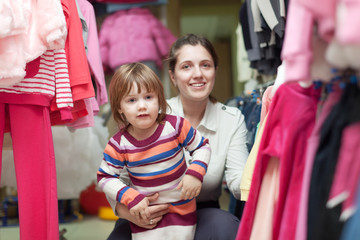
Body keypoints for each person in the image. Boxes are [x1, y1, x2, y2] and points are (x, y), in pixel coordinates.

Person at [107, 33, 249, 240]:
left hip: (202, 212)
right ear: (173, 76)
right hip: (145, 213)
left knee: (226, 228)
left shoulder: (231, 118)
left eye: (206, 65)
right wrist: (125, 211)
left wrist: (262, 181)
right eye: (186, 66)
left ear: (215, 71)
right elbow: (115, 178)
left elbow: (238, 180)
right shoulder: (146, 112)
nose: (198, 74)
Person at [97, 62, 211, 240]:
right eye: (132, 100)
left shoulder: (175, 126)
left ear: (159, 99)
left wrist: (195, 173)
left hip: (183, 211)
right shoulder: (118, 144)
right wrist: (130, 197)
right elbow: (105, 177)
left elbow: (202, 146)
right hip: (144, 215)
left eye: (148, 97)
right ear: (119, 107)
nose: (142, 106)